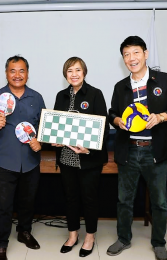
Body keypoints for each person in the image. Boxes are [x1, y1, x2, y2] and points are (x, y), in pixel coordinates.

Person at [107, 36, 167, 260]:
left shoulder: (163, 80)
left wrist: (161, 117)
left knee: (160, 202)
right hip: (128, 150)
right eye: (126, 55)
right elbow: (111, 113)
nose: (131, 58)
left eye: (136, 53)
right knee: (124, 200)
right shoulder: (120, 86)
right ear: (123, 59)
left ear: (146, 53)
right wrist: (116, 121)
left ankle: (159, 242)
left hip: (156, 151)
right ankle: (123, 239)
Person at [0, 55, 45, 260]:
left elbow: (43, 129)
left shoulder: (36, 98)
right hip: (5, 160)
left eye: (21, 71)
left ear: (27, 73)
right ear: (6, 73)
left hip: (30, 160)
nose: (17, 75)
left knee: (28, 201)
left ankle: (24, 232)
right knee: (3, 204)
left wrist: (40, 142)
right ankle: (0, 243)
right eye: (12, 70)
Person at [52, 57, 109, 257]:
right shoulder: (61, 96)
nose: (74, 74)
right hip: (67, 156)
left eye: (77, 70)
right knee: (71, 198)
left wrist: (89, 149)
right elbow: (56, 125)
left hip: (89, 158)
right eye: (69, 71)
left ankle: (90, 236)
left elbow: (103, 127)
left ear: (84, 72)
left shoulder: (95, 94)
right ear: (65, 74)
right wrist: (55, 139)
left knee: (89, 199)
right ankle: (73, 234)